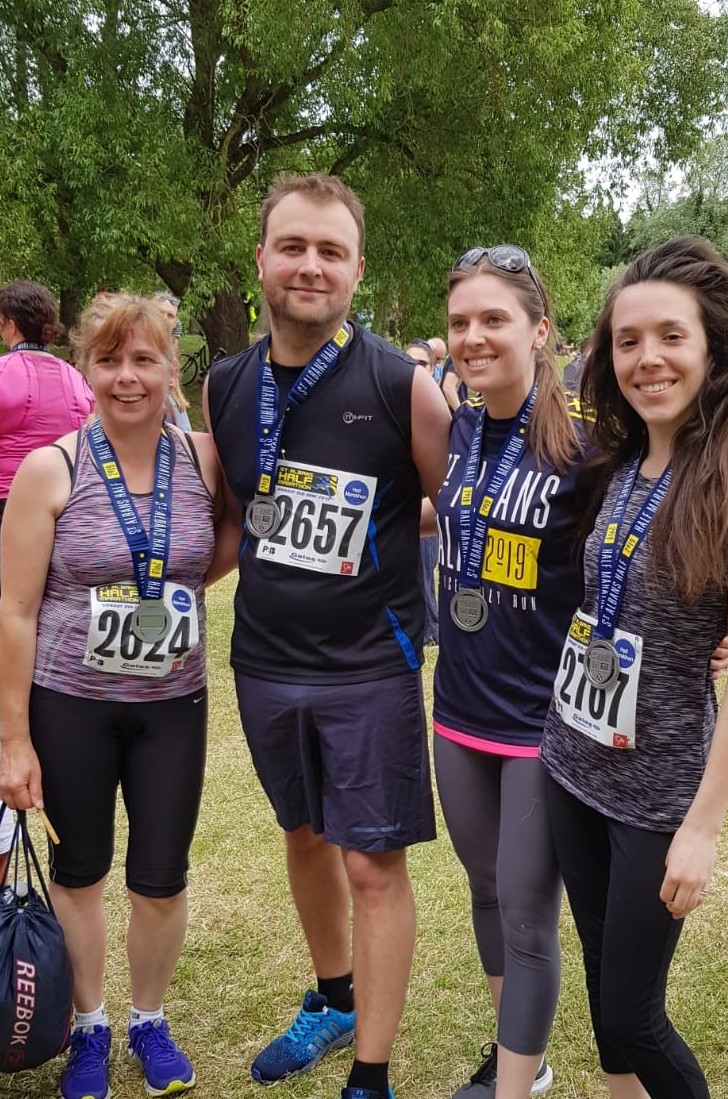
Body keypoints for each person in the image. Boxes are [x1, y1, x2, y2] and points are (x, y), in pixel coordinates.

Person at [205, 171, 451, 1099]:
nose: (311, 266)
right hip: (264, 658)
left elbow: (460, 513)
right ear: (262, 258)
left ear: (356, 270)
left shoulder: (404, 384)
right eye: (294, 246)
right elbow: (237, 519)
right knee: (303, 835)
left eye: (331, 251)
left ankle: (373, 1076)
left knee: (372, 862)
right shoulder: (222, 381)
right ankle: (334, 996)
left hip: (369, 665)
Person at [541, 236, 728, 1099]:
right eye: (627, 339)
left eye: (671, 337)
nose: (647, 358)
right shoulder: (621, 461)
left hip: (659, 795)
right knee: (605, 995)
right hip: (572, 764)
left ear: (715, 348)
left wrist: (703, 827)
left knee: (636, 1015)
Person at [0, 294, 228, 1099]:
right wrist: (14, 739)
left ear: (173, 368)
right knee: (81, 869)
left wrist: (176, 590)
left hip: (174, 703)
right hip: (72, 703)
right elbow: (15, 610)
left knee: (161, 875)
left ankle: (149, 1017)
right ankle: (90, 1023)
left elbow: (224, 541)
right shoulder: (49, 468)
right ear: (85, 367)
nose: (127, 378)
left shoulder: (204, 460)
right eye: (109, 360)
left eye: (144, 360)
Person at [432, 245, 583, 1099]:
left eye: (494, 319)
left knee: (528, 915)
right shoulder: (459, 426)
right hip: (457, 707)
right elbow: (455, 517)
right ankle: (515, 1054)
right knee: (485, 890)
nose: (474, 336)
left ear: (538, 330)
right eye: (461, 322)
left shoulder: (584, 448)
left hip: (541, 722)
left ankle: (515, 1089)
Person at [0, 280, 94, 533]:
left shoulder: (3, 371)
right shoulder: (77, 379)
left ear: (10, 324)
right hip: (65, 500)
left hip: (8, 499)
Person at [404, 339, 440, 646]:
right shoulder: (390, 406)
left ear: (435, 368)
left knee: (425, 573)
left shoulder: (445, 412)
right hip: (402, 511)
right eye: (410, 363)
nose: (417, 369)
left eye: (423, 364)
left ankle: (431, 627)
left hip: (429, 510)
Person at [153, 292, 193, 431]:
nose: (164, 319)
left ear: (175, 321)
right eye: (159, 313)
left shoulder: (171, 348)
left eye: (170, 315)